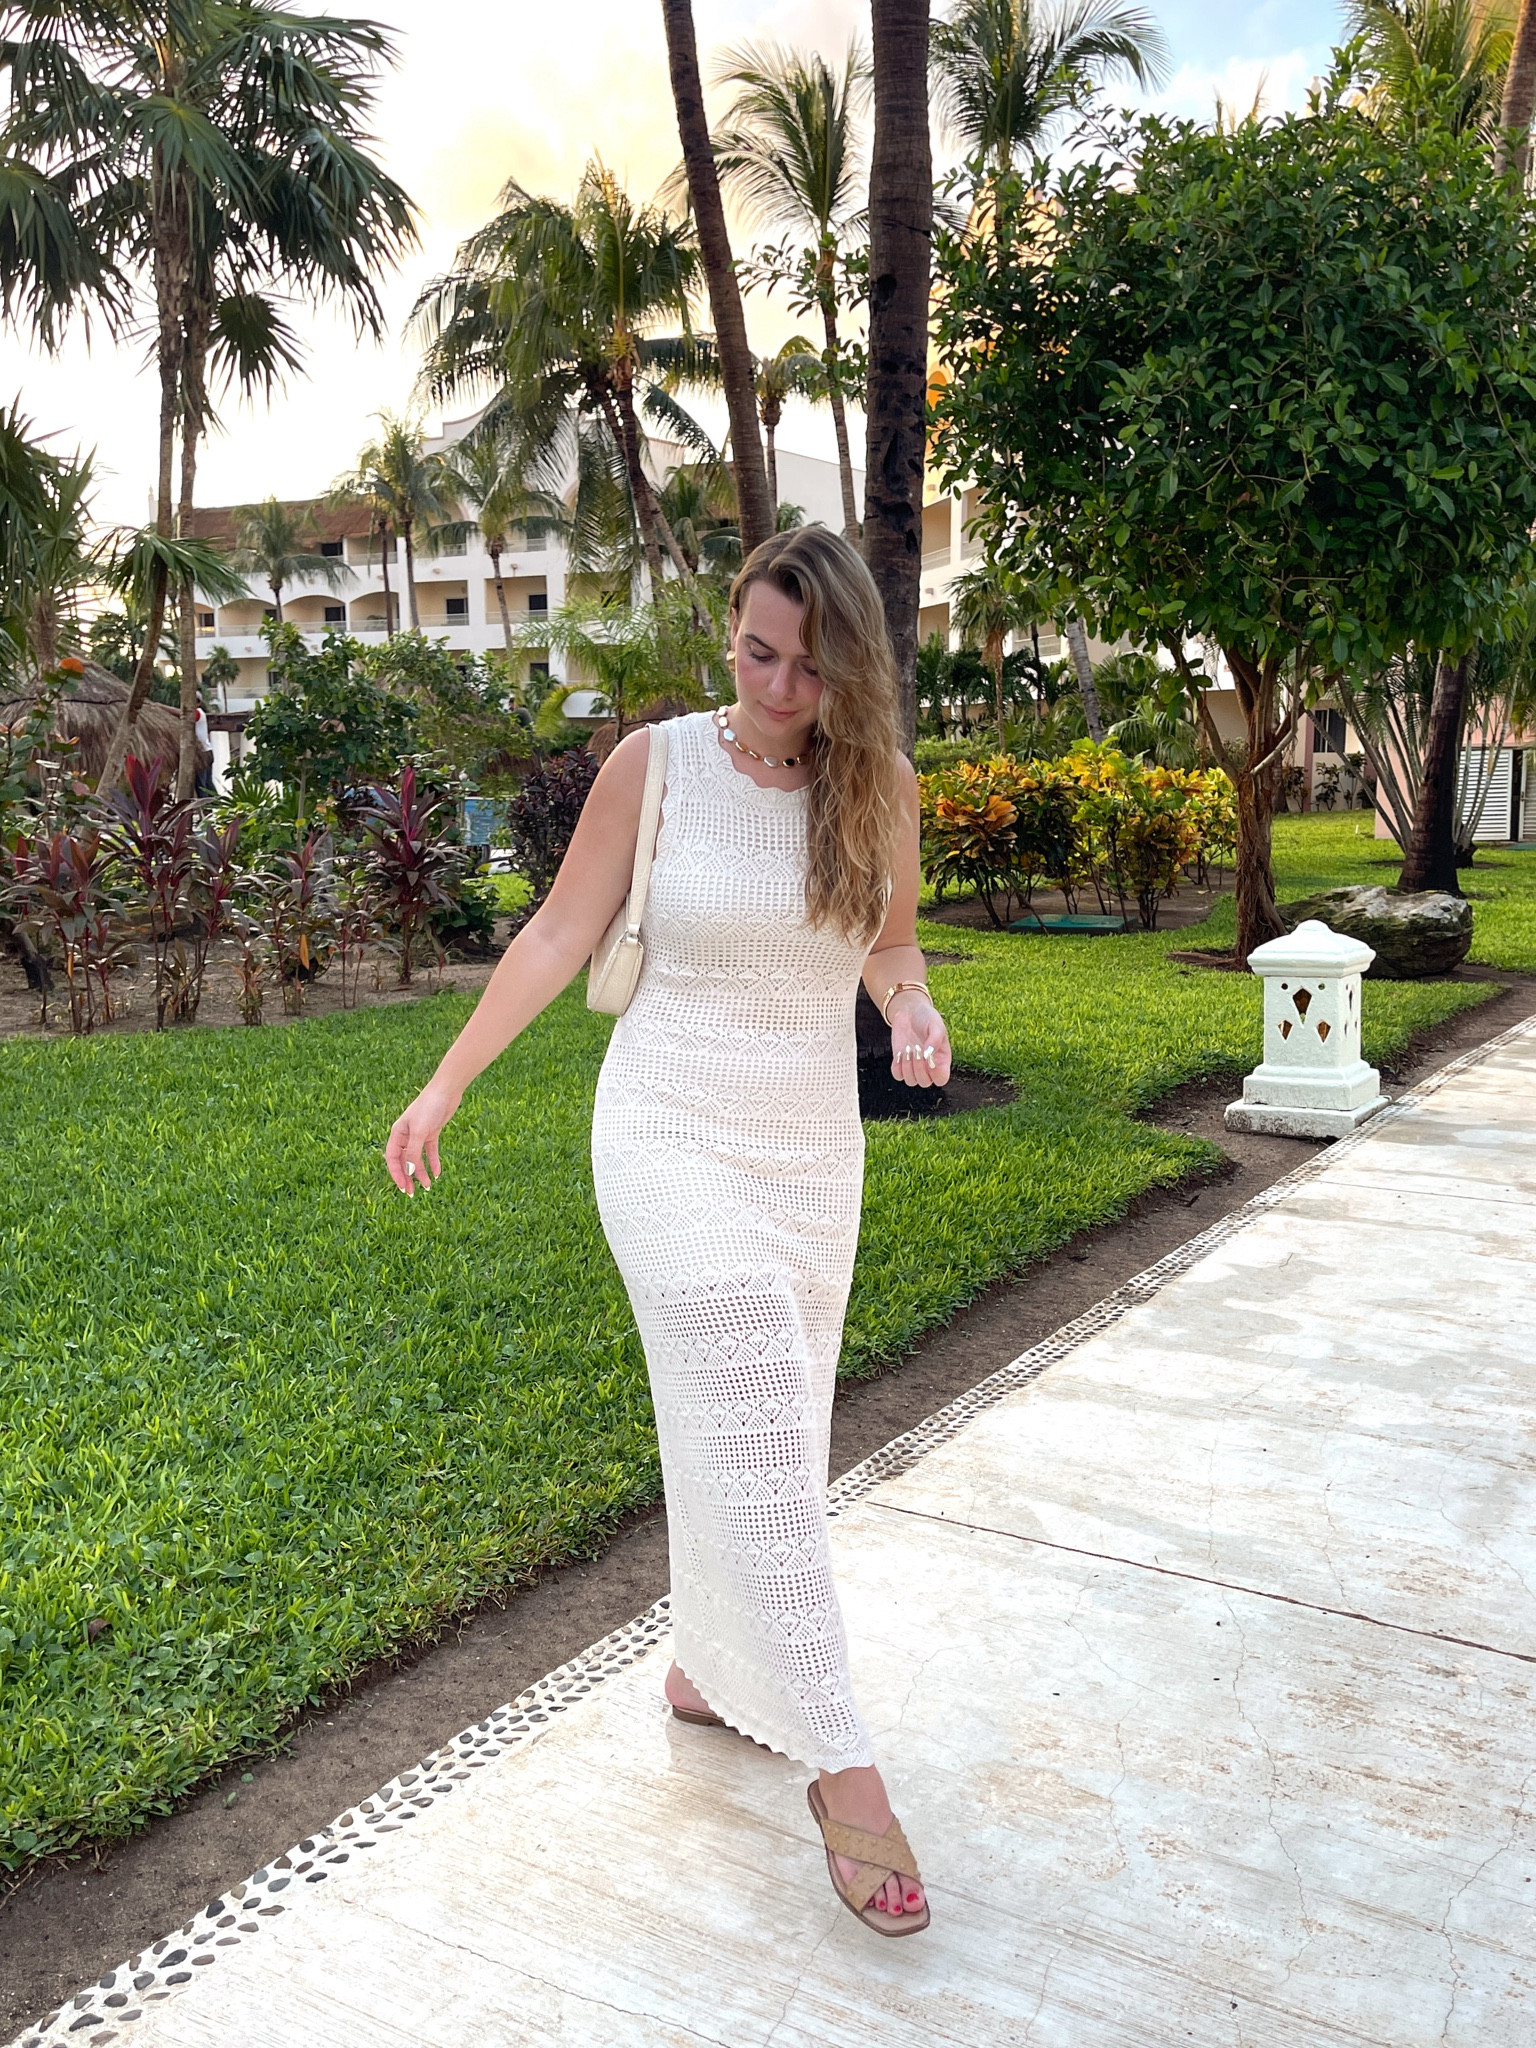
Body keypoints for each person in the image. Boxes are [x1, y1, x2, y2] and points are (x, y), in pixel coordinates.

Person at [385, 529, 952, 1936]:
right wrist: (446, 1080)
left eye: (805, 668)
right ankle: (846, 1769)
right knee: (753, 1404)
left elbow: (890, 947)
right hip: (667, 1133)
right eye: (755, 651)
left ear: (852, 672)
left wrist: (913, 1009)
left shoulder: (879, 788)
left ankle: (708, 1659)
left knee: (772, 1423)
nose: (771, 685)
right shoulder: (659, 765)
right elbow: (556, 937)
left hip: (810, 1150)